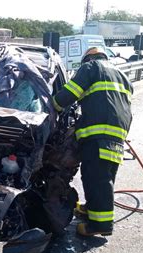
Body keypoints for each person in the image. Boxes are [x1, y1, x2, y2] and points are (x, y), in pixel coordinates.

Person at [52, 47, 133, 237]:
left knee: (97, 178)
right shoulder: (122, 75)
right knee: (101, 175)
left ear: (88, 59)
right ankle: (92, 209)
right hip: (116, 133)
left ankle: (100, 226)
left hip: (99, 133)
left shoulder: (91, 68)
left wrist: (53, 104)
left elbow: (69, 93)